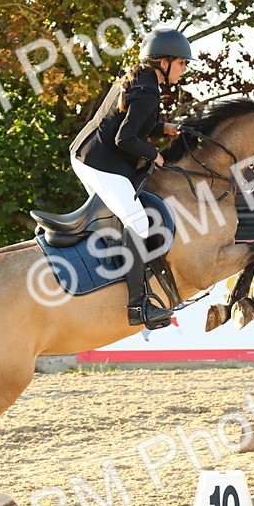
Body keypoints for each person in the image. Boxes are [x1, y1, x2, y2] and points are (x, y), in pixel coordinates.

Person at [69, 28, 191, 329]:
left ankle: (109, 281)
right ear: (164, 61)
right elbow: (125, 138)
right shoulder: (148, 90)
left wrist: (161, 129)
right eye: (182, 63)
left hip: (90, 155)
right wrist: (156, 155)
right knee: (138, 221)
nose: (185, 69)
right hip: (98, 162)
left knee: (118, 219)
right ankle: (138, 305)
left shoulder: (143, 81)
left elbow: (127, 126)